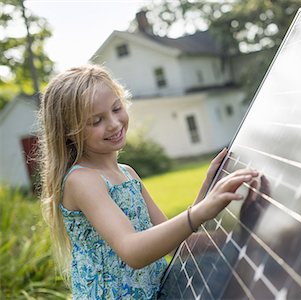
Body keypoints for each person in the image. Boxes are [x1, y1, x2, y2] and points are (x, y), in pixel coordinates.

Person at [37, 64, 258, 299]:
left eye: (116, 108)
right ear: (70, 131)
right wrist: (200, 213)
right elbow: (133, 251)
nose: (113, 123)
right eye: (96, 120)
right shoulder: (81, 181)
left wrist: (210, 191)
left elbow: (177, 245)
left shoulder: (128, 174)